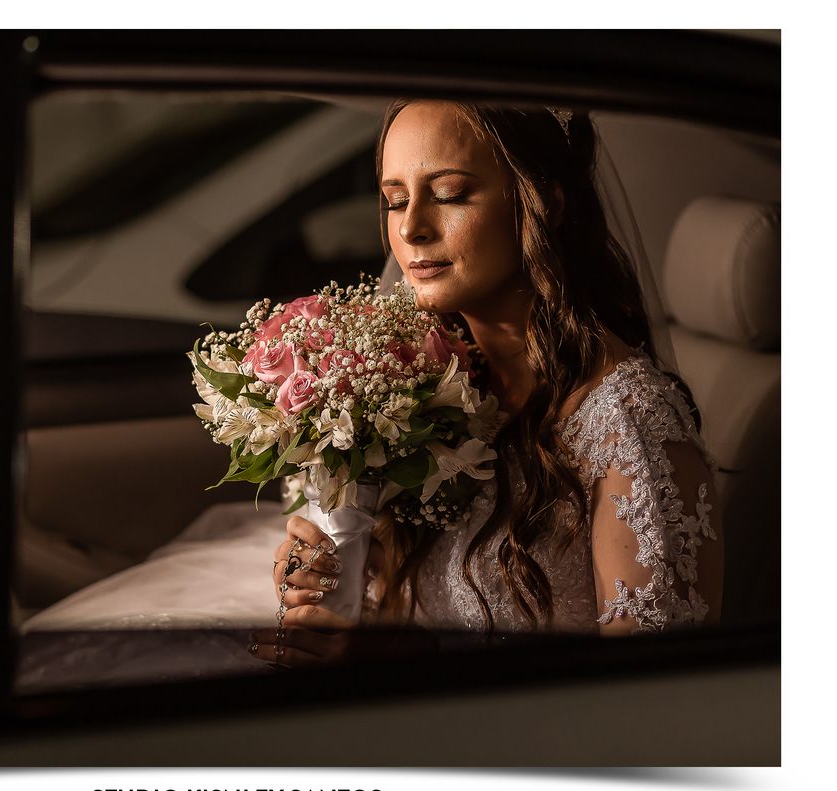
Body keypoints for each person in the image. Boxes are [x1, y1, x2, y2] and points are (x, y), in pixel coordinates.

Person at [249, 100, 724, 666]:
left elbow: (649, 702)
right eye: (395, 200)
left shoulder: (627, 427)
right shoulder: (418, 386)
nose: (411, 228)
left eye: (449, 194)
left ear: (543, 202)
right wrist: (335, 587)